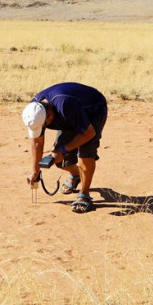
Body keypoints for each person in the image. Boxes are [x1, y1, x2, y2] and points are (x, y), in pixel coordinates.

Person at [22, 82, 108, 213]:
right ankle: (75, 175)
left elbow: (88, 133)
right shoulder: (34, 109)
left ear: (50, 115)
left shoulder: (64, 104)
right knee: (60, 161)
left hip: (93, 109)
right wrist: (35, 171)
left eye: (44, 126)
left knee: (85, 150)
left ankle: (84, 194)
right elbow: (37, 141)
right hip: (71, 114)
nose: (43, 129)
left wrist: (62, 150)